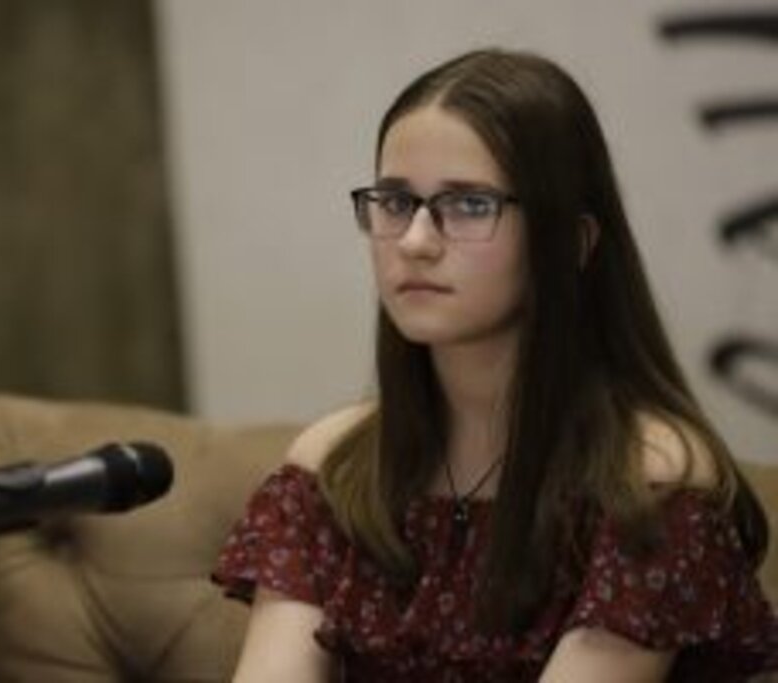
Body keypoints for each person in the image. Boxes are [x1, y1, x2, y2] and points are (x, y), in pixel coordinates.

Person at [212, 48, 778, 682]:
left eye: (469, 206)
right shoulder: (331, 469)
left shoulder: (650, 483)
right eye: (395, 201)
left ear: (572, 242)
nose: (415, 241)